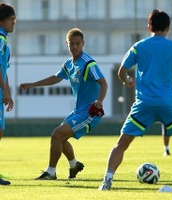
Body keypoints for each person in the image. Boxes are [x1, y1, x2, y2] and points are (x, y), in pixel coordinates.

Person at [98, 9, 172, 191]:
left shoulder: (139, 46)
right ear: (168, 28)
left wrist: (127, 80)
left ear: (149, 27)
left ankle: (107, 181)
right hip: (168, 103)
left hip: (143, 104)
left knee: (121, 144)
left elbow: (122, 70)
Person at [20, 28, 107, 180]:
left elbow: (103, 83)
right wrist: (32, 84)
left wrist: (99, 101)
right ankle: (74, 165)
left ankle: (51, 172)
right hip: (78, 111)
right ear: (66, 44)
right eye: (71, 43)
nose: (74, 46)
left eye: (77, 43)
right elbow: (56, 78)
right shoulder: (69, 64)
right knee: (59, 137)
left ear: (83, 44)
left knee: (56, 135)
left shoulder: (88, 63)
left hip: (90, 113)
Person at [0, 2, 16, 186]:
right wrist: (4, 91)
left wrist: (8, 93)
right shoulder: (0, 39)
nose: (14, 23)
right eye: (11, 19)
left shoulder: (4, 41)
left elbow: (4, 69)